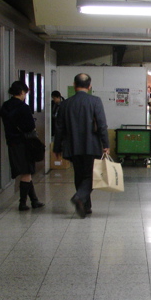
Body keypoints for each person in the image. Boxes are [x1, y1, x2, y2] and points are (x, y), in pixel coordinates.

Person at [53, 73, 110, 218]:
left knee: (79, 174)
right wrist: (106, 144)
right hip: (91, 146)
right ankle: (80, 197)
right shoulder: (95, 101)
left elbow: (59, 127)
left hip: (72, 146)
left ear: (74, 85)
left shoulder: (66, 104)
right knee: (91, 175)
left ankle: (86, 206)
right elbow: (102, 125)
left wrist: (57, 147)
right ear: (89, 86)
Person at [0, 80, 45, 211]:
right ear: (21, 92)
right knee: (26, 172)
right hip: (24, 143)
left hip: (12, 143)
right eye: (25, 92)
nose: (25, 95)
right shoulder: (23, 107)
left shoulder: (5, 106)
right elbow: (30, 126)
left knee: (26, 172)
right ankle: (22, 203)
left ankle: (35, 201)